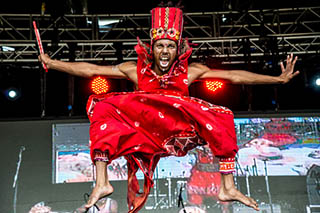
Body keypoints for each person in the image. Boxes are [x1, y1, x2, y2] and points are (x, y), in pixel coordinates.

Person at [38, 6, 299, 213]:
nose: (165, 50)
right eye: (160, 45)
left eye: (170, 46)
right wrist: (53, 63)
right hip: (144, 132)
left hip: (176, 129)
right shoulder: (135, 70)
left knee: (223, 116)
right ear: (152, 48)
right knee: (104, 104)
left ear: (177, 49)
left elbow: (234, 76)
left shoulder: (189, 71)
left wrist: (276, 80)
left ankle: (227, 187)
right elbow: (90, 70)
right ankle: (101, 182)